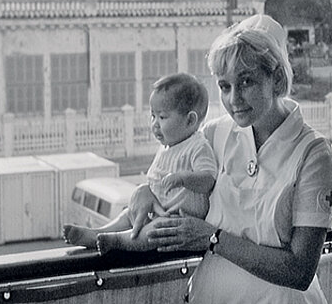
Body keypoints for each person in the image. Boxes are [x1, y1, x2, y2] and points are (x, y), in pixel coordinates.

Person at [131, 14, 332, 303]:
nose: (234, 99)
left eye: (246, 81)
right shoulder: (215, 135)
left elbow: (300, 270)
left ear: (276, 79)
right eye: (225, 86)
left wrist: (213, 238)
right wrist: (143, 191)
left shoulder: (312, 154)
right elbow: (169, 175)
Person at [62, 72, 217, 254]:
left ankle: (120, 240)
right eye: (153, 116)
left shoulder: (197, 146)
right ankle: (98, 233)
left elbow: (208, 179)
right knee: (128, 214)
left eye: (162, 117)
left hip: (178, 220)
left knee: (155, 232)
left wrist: (183, 178)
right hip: (156, 210)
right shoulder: (167, 147)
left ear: (190, 120)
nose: (155, 124)